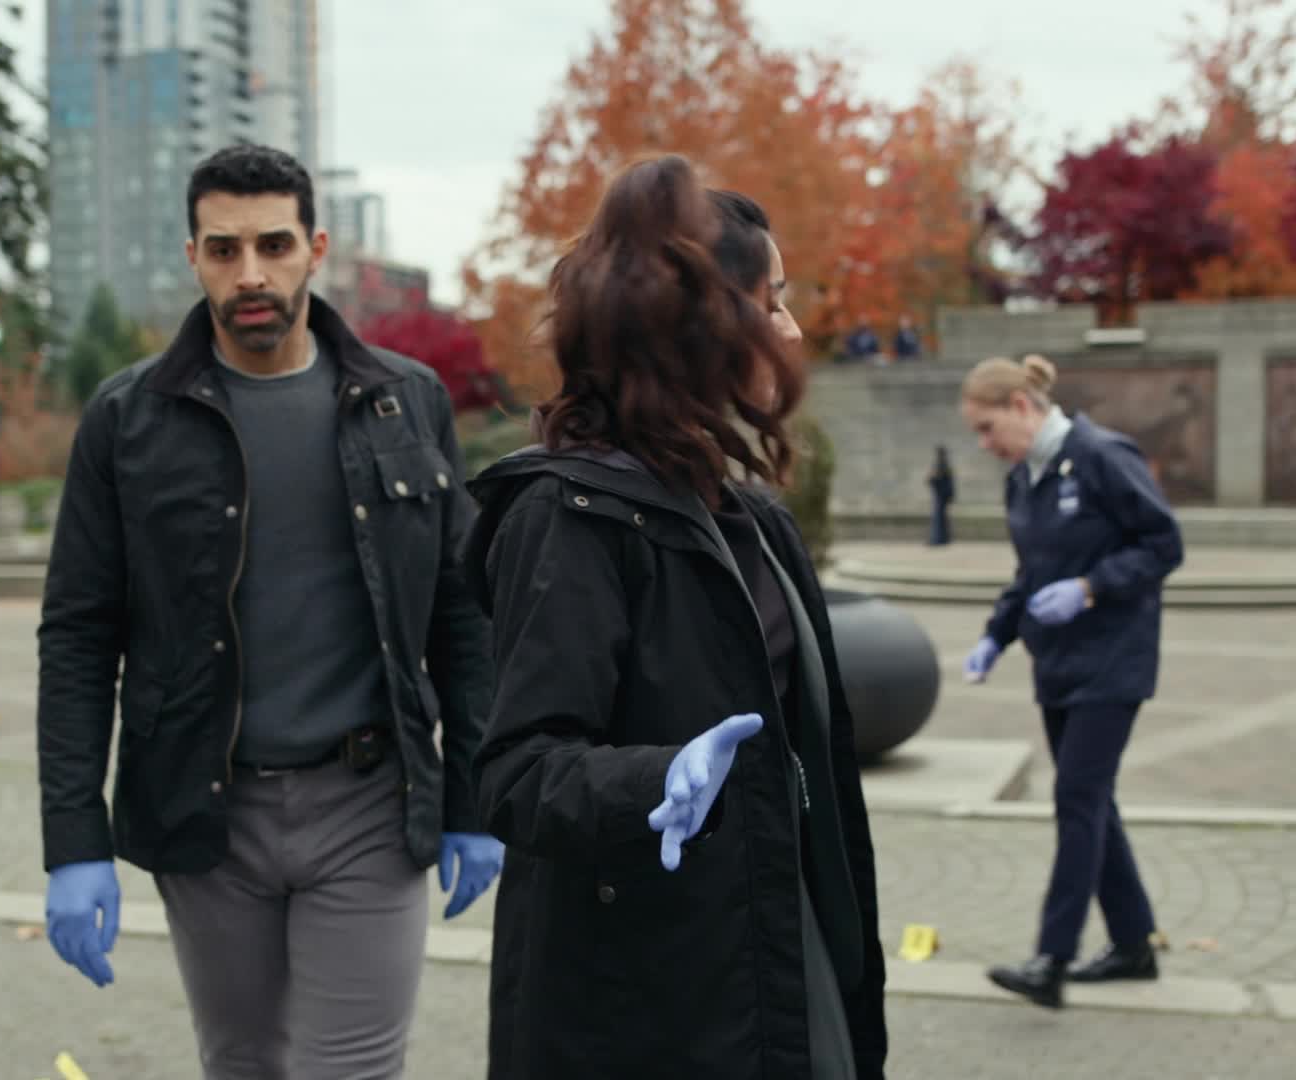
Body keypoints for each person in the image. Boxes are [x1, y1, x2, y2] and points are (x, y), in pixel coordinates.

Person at [35, 143, 503, 1079]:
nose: (250, 273)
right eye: (224, 249)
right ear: (193, 257)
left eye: (273, 245)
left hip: (370, 802)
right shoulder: (128, 420)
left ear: (315, 248)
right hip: (207, 811)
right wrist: (73, 841)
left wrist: (475, 796)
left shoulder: (405, 403)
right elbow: (79, 637)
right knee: (242, 1063)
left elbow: (460, 613)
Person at [462, 159, 887, 1079]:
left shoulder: (751, 516)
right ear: (697, 328)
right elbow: (518, 771)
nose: (793, 329)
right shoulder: (569, 517)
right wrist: (655, 780)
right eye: (771, 303)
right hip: (642, 1005)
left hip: (772, 945)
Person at [956, 353, 1184, 1009]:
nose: (984, 444)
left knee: (1076, 799)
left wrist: (1089, 588)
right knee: (1094, 803)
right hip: (1058, 665)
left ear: (1021, 406)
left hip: (1113, 661)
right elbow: (1029, 576)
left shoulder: (1102, 456)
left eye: (987, 427)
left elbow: (1163, 545)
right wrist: (995, 636)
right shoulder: (1023, 479)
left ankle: (1051, 960)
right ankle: (1134, 944)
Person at [926, 444, 954, 546]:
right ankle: (941, 538)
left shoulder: (941, 465)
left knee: (939, 518)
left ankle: (938, 539)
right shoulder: (943, 465)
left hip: (940, 495)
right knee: (940, 518)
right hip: (941, 495)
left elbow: (937, 478)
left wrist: (932, 479)